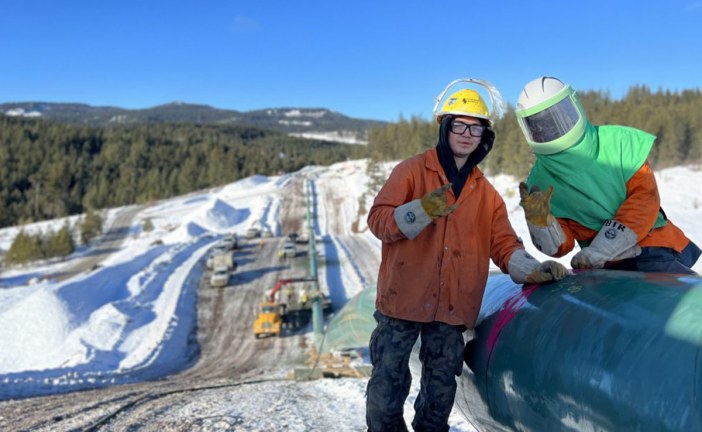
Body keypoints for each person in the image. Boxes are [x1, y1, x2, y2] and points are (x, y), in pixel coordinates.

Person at [365, 79, 569, 432]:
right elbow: (378, 220)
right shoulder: (412, 171)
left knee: (440, 397)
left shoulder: (486, 194)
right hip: (401, 304)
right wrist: (420, 210)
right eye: (458, 124)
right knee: (385, 393)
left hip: (452, 310)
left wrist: (532, 269)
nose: (466, 134)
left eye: (475, 128)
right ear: (445, 127)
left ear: (484, 137)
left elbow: (505, 245)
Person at [515, 76, 701, 274]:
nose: (550, 129)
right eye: (540, 125)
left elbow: (644, 200)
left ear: (573, 106)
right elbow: (563, 246)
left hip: (652, 245)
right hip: (599, 268)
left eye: (557, 117)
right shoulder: (539, 180)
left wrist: (602, 249)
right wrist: (542, 225)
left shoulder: (618, 143)